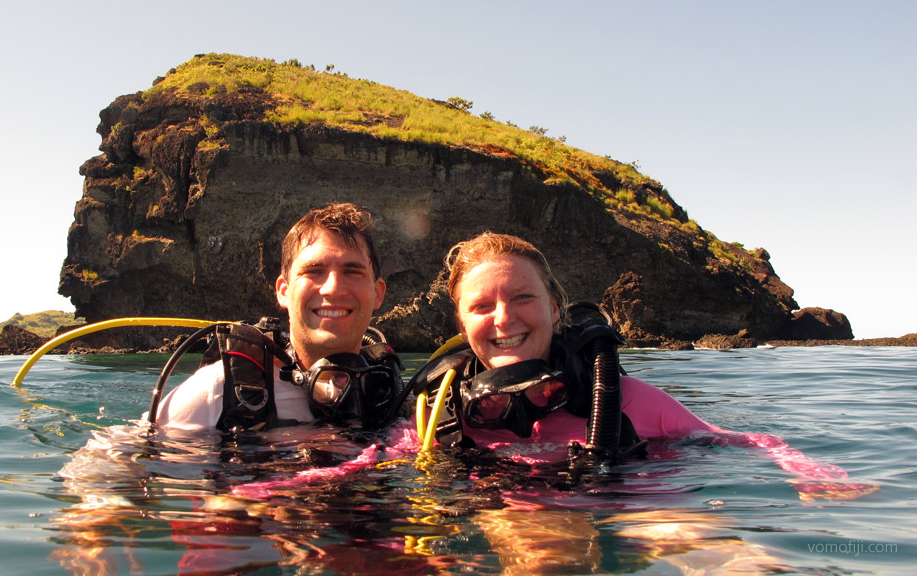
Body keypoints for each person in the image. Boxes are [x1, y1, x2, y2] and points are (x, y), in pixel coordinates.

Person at [408, 231, 877, 501]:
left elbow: (745, 440)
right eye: (482, 306)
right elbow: (376, 457)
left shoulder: (629, 402)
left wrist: (803, 467)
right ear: (460, 321)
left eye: (523, 297)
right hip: (500, 517)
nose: (504, 318)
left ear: (555, 308)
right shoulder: (434, 413)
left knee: (727, 558)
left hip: (639, 508)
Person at [151, 201, 405, 433]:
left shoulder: (394, 399)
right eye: (314, 270)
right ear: (283, 292)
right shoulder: (214, 394)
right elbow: (125, 470)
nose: (333, 288)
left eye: (352, 271)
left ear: (378, 292)